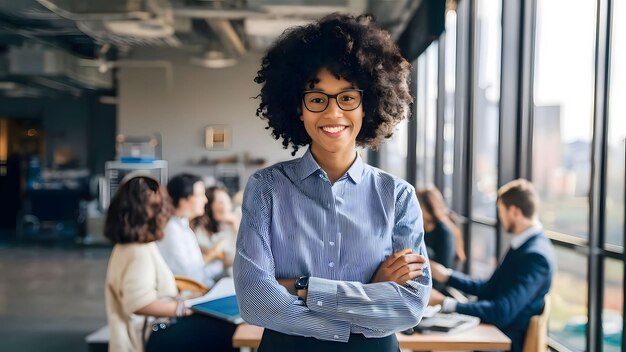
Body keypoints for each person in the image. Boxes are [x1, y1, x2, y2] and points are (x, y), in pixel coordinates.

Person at [233, 13, 431, 352]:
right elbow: (255, 301)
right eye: (317, 98)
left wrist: (302, 287)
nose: (333, 113)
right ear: (299, 107)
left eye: (347, 97)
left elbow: (409, 305)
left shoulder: (397, 196)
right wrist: (370, 293)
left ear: (367, 105)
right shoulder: (266, 188)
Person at [104, 175, 237, 352]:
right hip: (151, 334)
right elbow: (138, 304)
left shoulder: (134, 246)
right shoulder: (138, 251)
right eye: (162, 204)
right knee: (228, 332)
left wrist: (184, 301)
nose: (166, 209)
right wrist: (183, 308)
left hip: (159, 325)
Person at [428, 179, 556, 352]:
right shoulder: (523, 245)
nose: (500, 217)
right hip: (491, 333)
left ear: (515, 211)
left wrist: (445, 303)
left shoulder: (535, 256)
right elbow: (489, 287)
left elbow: (501, 312)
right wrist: (447, 276)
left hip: (501, 342)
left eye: (501, 211)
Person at [156, 173, 215, 287]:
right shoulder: (171, 230)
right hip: (191, 296)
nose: (205, 200)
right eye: (200, 195)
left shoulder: (182, 226)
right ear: (184, 199)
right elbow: (188, 275)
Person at [191, 185, 239, 277]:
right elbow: (227, 259)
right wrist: (217, 250)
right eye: (221, 202)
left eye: (227, 200)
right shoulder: (200, 231)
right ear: (210, 205)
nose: (226, 205)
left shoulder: (234, 221)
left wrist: (235, 226)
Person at [416, 187, 466, 269]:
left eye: (419, 205)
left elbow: (444, 268)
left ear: (429, 209)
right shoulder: (421, 227)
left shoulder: (445, 233)